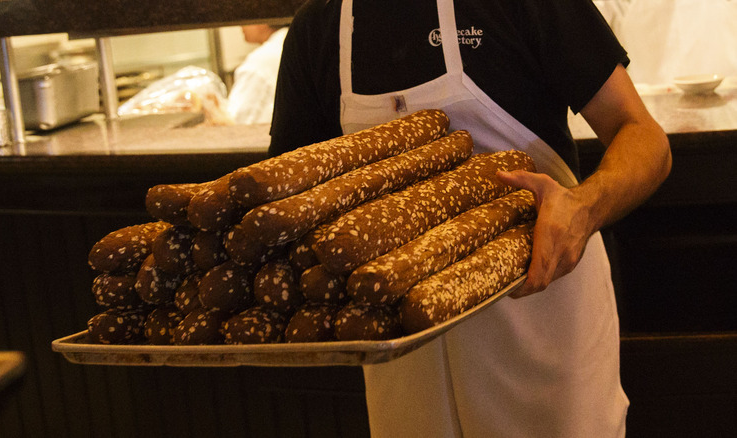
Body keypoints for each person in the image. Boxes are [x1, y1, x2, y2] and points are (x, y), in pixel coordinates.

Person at [269, 0, 671, 436]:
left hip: (542, 320)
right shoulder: (320, 27)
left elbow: (642, 135)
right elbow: (291, 205)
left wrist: (583, 207)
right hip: (405, 356)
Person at [226, 24, 288, 124]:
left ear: (263, 21)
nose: (240, 25)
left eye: (246, 16)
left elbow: (237, 121)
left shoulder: (260, 61)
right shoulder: (294, 42)